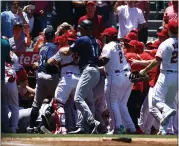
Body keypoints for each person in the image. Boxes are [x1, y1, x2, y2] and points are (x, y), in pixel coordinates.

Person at [59, 20, 100, 134]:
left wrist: (60, 50)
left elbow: (67, 52)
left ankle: (92, 122)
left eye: (81, 28)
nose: (79, 30)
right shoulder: (95, 41)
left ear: (85, 29)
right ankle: (81, 127)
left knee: (78, 99)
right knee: (84, 100)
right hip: (94, 71)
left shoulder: (82, 39)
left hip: (88, 71)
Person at [139, 20, 178, 135]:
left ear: (169, 30)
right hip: (177, 75)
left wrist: (144, 70)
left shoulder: (165, 43)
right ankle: (166, 129)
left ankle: (166, 111)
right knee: (169, 102)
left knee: (156, 100)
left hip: (166, 74)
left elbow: (157, 60)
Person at [99, 27, 135, 134]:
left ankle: (118, 127)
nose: (104, 37)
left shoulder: (108, 46)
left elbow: (103, 61)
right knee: (121, 104)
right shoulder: (119, 45)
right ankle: (131, 127)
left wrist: (90, 60)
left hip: (115, 76)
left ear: (110, 36)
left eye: (105, 35)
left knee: (112, 103)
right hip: (126, 75)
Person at [47, 30, 80, 134]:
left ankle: (62, 128)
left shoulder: (63, 49)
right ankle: (76, 127)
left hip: (67, 78)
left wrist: (58, 61)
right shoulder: (79, 50)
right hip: (79, 78)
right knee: (75, 105)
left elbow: (50, 62)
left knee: (58, 104)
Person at [27, 27, 59, 133]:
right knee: (58, 100)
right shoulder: (53, 47)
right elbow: (50, 62)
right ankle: (45, 118)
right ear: (53, 36)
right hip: (50, 75)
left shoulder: (43, 47)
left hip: (40, 75)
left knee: (36, 104)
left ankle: (31, 127)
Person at [1, 38, 13, 133]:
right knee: (3, 103)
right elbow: (9, 60)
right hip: (1, 78)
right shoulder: (5, 43)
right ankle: (5, 126)